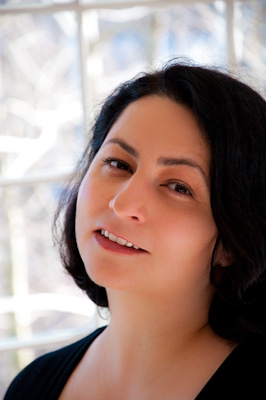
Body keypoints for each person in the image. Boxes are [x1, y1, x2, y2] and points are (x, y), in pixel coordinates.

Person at [4, 60, 266, 400]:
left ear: (234, 239)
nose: (123, 203)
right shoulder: (31, 387)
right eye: (118, 163)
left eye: (178, 187)